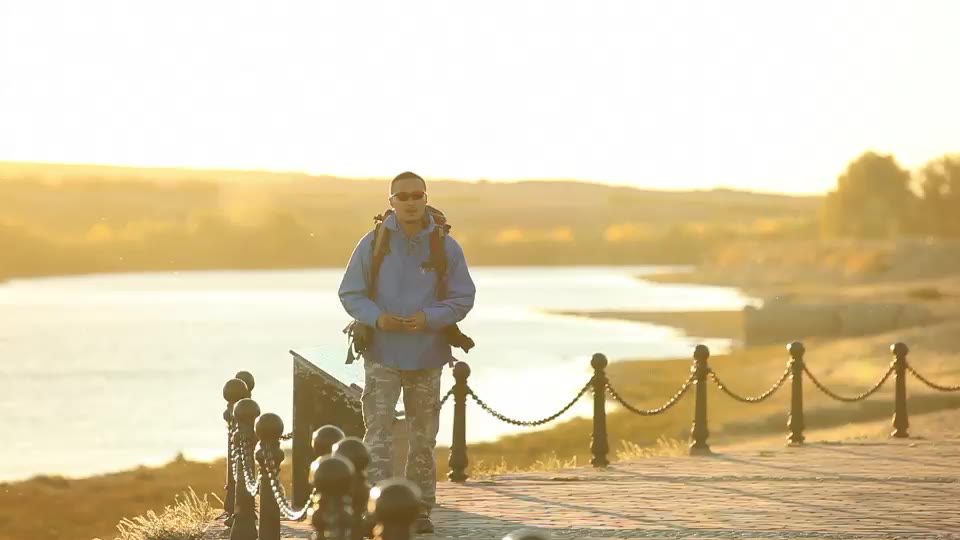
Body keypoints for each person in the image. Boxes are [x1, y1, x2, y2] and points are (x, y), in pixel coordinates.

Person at [338, 171, 476, 533]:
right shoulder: (372, 243)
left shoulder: (446, 246)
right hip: (381, 354)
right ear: (391, 202)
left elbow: (463, 297)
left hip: (428, 355)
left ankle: (420, 507)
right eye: (403, 196)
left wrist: (429, 318)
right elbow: (350, 293)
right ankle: (375, 505)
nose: (411, 202)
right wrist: (377, 318)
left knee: (423, 439)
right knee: (377, 433)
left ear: (426, 198)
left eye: (417, 195)